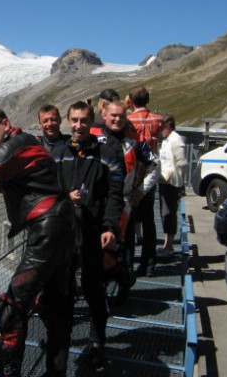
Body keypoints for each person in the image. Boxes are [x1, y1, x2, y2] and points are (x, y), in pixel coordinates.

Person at [0, 107, 76, 377]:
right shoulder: (25, 142)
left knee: (10, 308)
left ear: (5, 123)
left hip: (47, 233)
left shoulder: (8, 148)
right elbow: (9, 180)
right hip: (60, 228)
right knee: (56, 308)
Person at [52, 101, 124, 368]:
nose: (78, 125)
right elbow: (49, 188)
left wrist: (110, 226)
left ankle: (97, 342)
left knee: (94, 288)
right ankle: (63, 338)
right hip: (65, 233)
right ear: (68, 122)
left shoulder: (106, 153)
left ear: (91, 121)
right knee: (64, 288)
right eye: (74, 120)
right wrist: (64, 197)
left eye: (83, 120)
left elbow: (116, 195)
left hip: (94, 231)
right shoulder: (59, 153)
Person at [93, 100, 160, 303]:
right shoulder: (93, 135)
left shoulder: (135, 140)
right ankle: (101, 289)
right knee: (97, 248)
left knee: (123, 248)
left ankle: (123, 287)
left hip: (123, 203)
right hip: (96, 202)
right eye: (113, 115)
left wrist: (141, 190)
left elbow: (155, 164)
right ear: (104, 115)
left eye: (121, 116)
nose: (117, 119)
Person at [126, 86, 164, 276]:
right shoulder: (158, 119)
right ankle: (149, 264)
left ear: (131, 100)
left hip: (134, 174)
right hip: (151, 171)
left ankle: (129, 263)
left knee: (131, 221)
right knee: (149, 220)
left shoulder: (128, 120)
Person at [158, 115, 188, 255]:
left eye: (162, 127)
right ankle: (166, 244)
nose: (160, 130)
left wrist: (181, 182)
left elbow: (182, 163)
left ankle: (169, 246)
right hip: (164, 179)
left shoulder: (176, 140)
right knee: (165, 212)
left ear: (168, 126)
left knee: (169, 212)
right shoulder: (166, 140)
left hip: (171, 181)